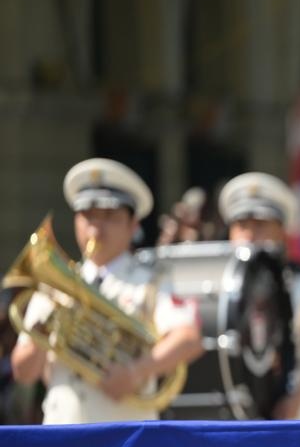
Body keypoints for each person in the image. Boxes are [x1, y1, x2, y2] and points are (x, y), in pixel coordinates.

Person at [9, 158, 203, 424]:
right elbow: (23, 374)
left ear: (133, 224)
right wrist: (40, 336)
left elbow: (189, 339)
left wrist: (135, 372)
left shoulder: (152, 282)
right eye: (87, 216)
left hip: (126, 435)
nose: (96, 228)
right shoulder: (53, 286)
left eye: (110, 216)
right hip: (62, 430)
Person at [219, 172, 300, 419]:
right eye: (241, 226)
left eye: (260, 225)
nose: (249, 236)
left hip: (288, 416)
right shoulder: (216, 285)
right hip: (225, 414)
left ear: (283, 231)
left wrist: (297, 400)